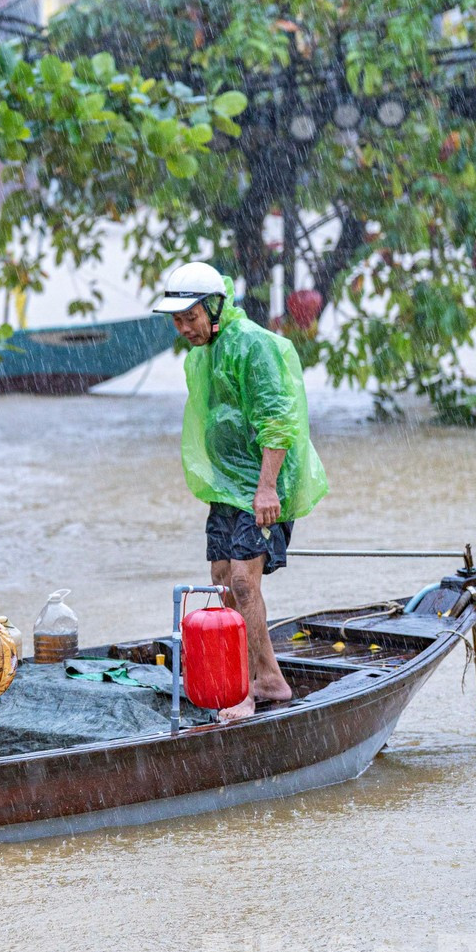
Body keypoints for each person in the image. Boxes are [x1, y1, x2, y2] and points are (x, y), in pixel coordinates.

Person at [151, 261, 329, 723]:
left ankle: (251, 688)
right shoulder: (204, 352)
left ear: (215, 307)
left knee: (245, 583)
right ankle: (262, 675)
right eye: (177, 320)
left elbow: (278, 418)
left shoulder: (250, 344)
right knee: (221, 578)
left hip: (262, 486)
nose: (183, 328)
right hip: (228, 488)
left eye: (190, 317)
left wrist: (267, 488)